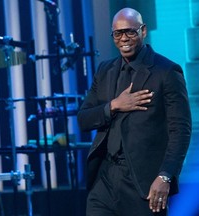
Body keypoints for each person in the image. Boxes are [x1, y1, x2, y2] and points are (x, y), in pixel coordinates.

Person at [77, 7, 192, 216]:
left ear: (143, 31)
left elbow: (181, 130)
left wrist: (165, 176)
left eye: (130, 31)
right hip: (104, 179)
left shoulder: (166, 71)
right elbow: (83, 119)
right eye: (118, 33)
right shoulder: (105, 70)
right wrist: (114, 105)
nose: (124, 38)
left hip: (143, 182)